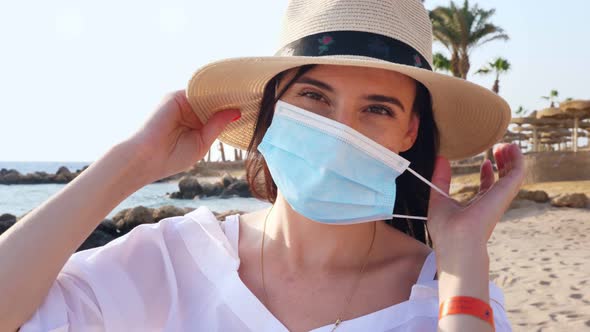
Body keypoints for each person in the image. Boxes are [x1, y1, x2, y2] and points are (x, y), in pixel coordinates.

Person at [0, 0, 524, 331]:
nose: (341, 131)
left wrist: (463, 253)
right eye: (315, 97)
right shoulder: (172, 259)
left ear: (410, 133)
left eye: (377, 109)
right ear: (273, 110)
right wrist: (131, 162)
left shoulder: (450, 294)